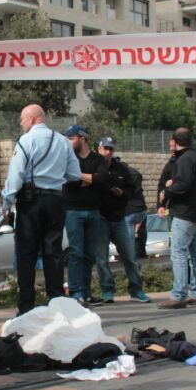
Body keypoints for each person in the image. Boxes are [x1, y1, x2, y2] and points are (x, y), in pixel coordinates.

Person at [1, 105, 80, 315]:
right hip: (56, 201)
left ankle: (26, 306)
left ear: (33, 119)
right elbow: (74, 173)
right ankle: (56, 304)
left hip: (30, 201)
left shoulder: (25, 141)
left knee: (26, 254)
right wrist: (54, 175)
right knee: (53, 253)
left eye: (22, 119)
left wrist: (7, 203)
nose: (21, 123)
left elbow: (16, 175)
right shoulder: (63, 141)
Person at [95, 137, 150, 303]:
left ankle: (136, 289)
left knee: (130, 256)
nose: (108, 152)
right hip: (101, 218)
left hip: (119, 218)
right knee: (102, 259)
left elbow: (133, 189)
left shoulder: (122, 169)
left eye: (110, 149)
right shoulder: (94, 166)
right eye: (105, 148)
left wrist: (123, 193)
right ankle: (107, 291)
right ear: (98, 149)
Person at [159, 127, 196, 309]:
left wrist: (167, 192)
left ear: (174, 141)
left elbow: (184, 185)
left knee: (178, 253)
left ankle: (178, 295)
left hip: (184, 213)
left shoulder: (184, 159)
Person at [62, 124, 107, 304]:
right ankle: (76, 292)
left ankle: (86, 292)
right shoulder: (68, 158)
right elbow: (68, 182)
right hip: (73, 211)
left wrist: (80, 176)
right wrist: (91, 179)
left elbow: (102, 179)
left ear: (82, 138)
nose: (68, 142)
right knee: (76, 252)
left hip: (93, 211)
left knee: (89, 254)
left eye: (71, 139)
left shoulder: (98, 158)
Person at [125, 163, 148, 259]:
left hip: (131, 211)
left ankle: (131, 256)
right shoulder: (136, 176)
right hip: (142, 210)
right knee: (140, 231)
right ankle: (141, 253)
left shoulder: (126, 178)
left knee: (129, 236)